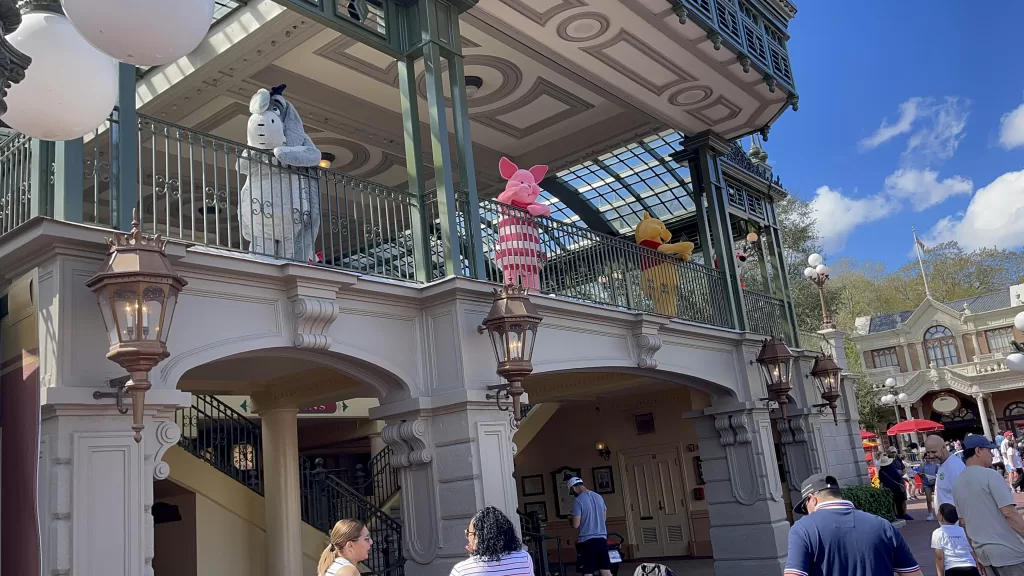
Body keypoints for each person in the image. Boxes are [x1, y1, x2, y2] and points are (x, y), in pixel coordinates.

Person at [784, 473, 922, 576]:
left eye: (805, 507)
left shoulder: (803, 528)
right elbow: (913, 573)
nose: (807, 513)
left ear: (812, 499)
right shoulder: (882, 525)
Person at [952, 435, 1024, 575]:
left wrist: (975, 553)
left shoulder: (957, 484)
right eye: (989, 450)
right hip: (1010, 552)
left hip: (984, 554)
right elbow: (1009, 513)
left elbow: (963, 523)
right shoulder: (991, 475)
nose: (992, 454)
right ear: (978, 451)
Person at [451, 506, 533, 576]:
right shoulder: (524, 558)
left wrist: (475, 556)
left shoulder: (461, 570)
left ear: (478, 537)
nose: (467, 537)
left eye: (468, 533)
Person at [568, 476, 610, 576]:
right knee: (605, 570)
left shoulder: (578, 501)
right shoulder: (599, 497)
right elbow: (603, 518)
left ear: (573, 488)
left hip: (587, 541)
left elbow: (575, 524)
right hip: (602, 539)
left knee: (588, 572)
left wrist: (570, 519)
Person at [931, 504, 981, 576]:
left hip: (952, 568)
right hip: (970, 566)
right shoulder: (962, 530)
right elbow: (970, 549)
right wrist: (977, 563)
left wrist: (940, 574)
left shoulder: (938, 532)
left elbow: (939, 556)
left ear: (941, 517)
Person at [926, 434, 967, 510]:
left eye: (933, 452)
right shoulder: (942, 464)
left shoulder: (954, 466)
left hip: (957, 520)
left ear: (943, 448)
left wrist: (962, 519)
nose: (930, 456)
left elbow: (965, 496)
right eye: (928, 452)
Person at [879, 452, 911, 521]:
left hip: (887, 490)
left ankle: (894, 515)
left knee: (891, 503)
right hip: (897, 489)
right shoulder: (893, 469)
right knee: (899, 502)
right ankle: (901, 515)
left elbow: (881, 481)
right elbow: (899, 478)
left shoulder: (881, 471)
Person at [919, 455, 940, 521]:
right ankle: (930, 514)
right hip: (926, 483)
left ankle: (940, 512)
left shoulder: (935, 465)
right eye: (926, 458)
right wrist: (921, 475)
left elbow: (938, 473)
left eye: (929, 458)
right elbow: (920, 474)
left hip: (934, 482)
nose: (927, 459)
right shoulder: (922, 465)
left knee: (938, 498)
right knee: (928, 499)